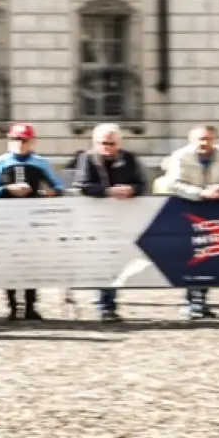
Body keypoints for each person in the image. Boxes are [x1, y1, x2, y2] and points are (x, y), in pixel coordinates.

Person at [159, 126, 219, 321]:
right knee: (190, 256)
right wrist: (199, 193)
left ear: (215, 139)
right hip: (186, 211)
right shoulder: (180, 156)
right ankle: (191, 301)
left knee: (211, 256)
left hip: (216, 212)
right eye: (200, 139)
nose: (204, 143)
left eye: (208, 139)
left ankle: (201, 300)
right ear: (191, 140)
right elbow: (174, 183)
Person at [0, 123, 62, 321]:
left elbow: (58, 187)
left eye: (23, 140)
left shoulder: (40, 162)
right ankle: (12, 306)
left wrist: (51, 192)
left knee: (32, 263)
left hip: (33, 219)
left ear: (32, 142)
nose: (19, 144)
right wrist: (8, 189)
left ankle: (30, 306)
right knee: (9, 263)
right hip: (6, 220)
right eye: (15, 139)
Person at [70, 123, 145, 323]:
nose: (107, 147)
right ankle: (105, 305)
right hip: (95, 220)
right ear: (95, 142)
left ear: (119, 142)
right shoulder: (87, 158)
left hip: (124, 219)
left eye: (112, 143)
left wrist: (131, 190)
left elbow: (142, 184)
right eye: (103, 143)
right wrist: (108, 192)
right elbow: (82, 186)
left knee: (117, 264)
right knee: (104, 263)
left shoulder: (129, 159)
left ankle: (108, 303)